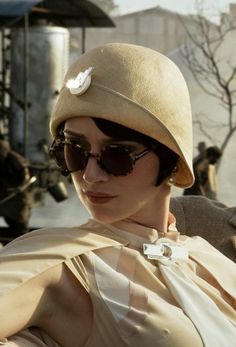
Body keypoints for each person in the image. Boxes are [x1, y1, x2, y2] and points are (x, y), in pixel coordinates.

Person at [0, 43, 235, 347]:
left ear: (171, 158)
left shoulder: (206, 256)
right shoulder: (59, 263)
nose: (90, 175)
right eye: (75, 151)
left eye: (117, 156)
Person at [0, 136, 31, 241]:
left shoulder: (15, 160)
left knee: (20, 226)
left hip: (16, 196)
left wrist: (20, 187)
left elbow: (25, 176)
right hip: (4, 193)